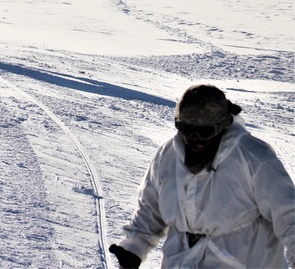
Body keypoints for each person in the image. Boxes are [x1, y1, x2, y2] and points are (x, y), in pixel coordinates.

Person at [109, 84, 295, 269]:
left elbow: (289, 214)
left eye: (205, 132)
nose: (195, 139)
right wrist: (134, 247)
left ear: (222, 126)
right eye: (188, 130)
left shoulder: (252, 157)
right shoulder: (168, 156)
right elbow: (150, 209)